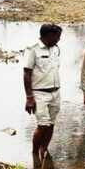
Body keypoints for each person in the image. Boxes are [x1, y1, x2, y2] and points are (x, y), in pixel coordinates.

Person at [23, 23, 63, 159]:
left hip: (55, 92)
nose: (59, 39)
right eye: (58, 36)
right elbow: (27, 73)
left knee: (51, 123)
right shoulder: (32, 49)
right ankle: (34, 154)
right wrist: (29, 97)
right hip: (39, 93)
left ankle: (44, 150)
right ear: (49, 36)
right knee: (43, 124)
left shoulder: (56, 48)